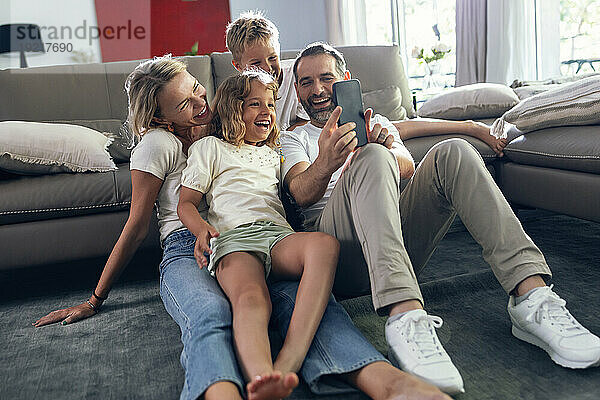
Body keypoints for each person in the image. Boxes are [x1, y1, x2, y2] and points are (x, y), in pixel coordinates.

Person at [32, 55, 451, 400]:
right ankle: (225, 391)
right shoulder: (162, 145)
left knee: (308, 305)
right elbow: (139, 223)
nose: (201, 105)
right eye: (185, 105)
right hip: (194, 241)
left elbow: (282, 148)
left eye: (198, 91)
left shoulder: (245, 140)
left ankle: (385, 382)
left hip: (264, 233)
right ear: (160, 117)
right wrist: (95, 296)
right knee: (215, 312)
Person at [280, 42, 600, 394]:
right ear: (297, 90)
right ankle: (405, 315)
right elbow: (298, 192)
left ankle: (531, 296)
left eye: (326, 78)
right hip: (340, 256)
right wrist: (328, 160)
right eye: (307, 82)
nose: (318, 90)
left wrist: (383, 145)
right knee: (370, 157)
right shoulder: (293, 138)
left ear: (346, 79)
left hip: (393, 245)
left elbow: (406, 168)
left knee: (454, 151)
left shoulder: (377, 122)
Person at [177, 69, 340, 399]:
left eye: (270, 103)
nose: (266, 111)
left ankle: (287, 363)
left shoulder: (273, 152)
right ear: (233, 109)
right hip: (235, 238)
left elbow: (302, 182)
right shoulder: (210, 147)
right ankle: (263, 377)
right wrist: (201, 230)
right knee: (252, 299)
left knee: (324, 245)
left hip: (277, 235)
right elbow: (186, 204)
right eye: (255, 104)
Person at [225, 11, 508, 155]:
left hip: (321, 133)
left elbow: (315, 122)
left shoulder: (299, 77)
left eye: (271, 58)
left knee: (387, 126)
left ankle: (470, 126)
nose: (267, 70)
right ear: (238, 67)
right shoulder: (238, 93)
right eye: (255, 64)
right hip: (292, 148)